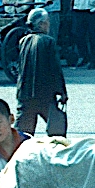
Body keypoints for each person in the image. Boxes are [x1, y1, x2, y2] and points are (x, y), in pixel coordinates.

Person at [15, 8, 67, 136]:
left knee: (23, 134)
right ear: (42, 24)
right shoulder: (48, 41)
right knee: (57, 132)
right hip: (44, 93)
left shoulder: (23, 41)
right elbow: (55, 70)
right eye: (47, 22)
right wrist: (62, 92)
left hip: (25, 93)